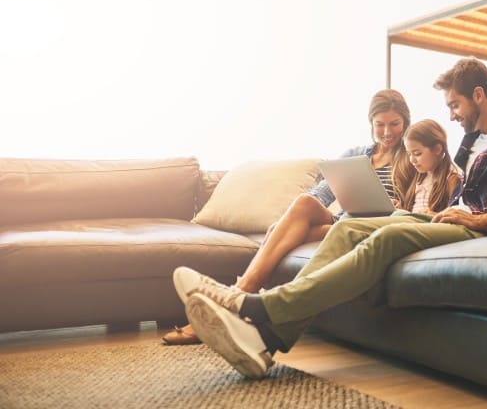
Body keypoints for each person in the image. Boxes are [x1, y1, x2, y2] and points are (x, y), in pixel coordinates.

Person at [172, 57, 487, 379]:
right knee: (347, 226)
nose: (452, 115)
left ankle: (257, 308)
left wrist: (474, 220)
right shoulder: (475, 143)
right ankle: (265, 340)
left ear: (479, 95)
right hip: (445, 220)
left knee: (384, 240)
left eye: (455, 105)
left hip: (478, 229)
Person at [162, 88, 413, 345]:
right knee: (301, 206)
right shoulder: (356, 155)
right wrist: (292, 218)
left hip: (372, 226)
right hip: (343, 220)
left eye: (394, 124)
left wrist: (397, 207)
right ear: (370, 123)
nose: (386, 132)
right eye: (379, 124)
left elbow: (419, 208)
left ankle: (233, 298)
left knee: (280, 234)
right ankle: (240, 300)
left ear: (405, 122)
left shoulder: (412, 156)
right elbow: (321, 193)